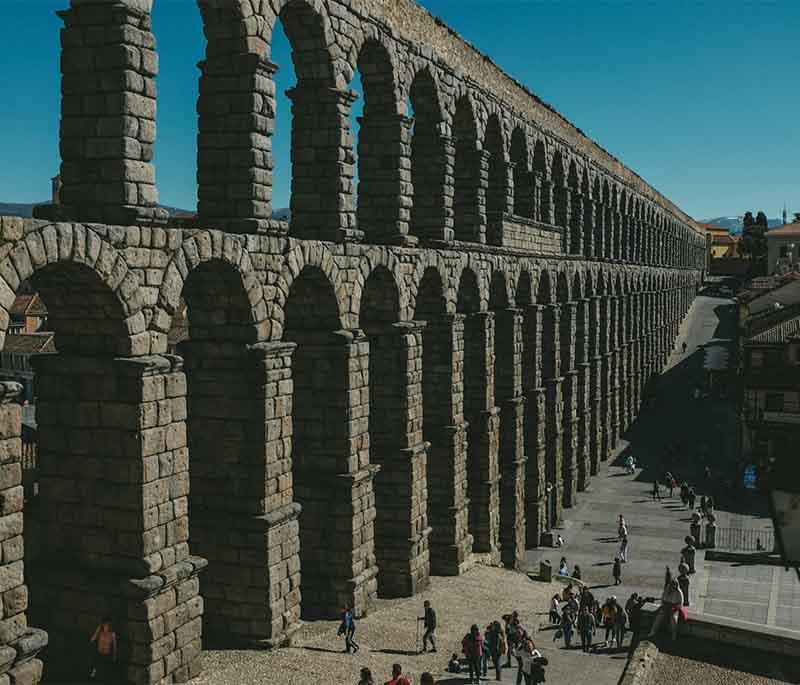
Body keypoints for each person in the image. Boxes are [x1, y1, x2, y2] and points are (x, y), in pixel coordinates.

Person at [89, 616, 118, 681]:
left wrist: (114, 655)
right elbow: (94, 637)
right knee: (96, 666)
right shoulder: (100, 631)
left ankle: (104, 678)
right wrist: (92, 638)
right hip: (99, 652)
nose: (106, 626)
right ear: (103, 624)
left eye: (108, 625)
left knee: (104, 670)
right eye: (105, 624)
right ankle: (94, 674)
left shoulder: (112, 634)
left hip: (106, 654)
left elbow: (115, 645)